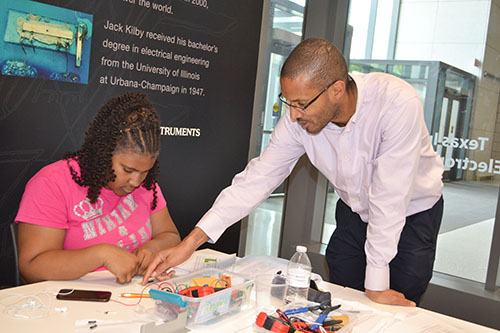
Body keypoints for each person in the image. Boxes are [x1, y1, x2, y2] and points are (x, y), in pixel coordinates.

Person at [142, 38, 444, 306]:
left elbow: (389, 197)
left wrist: (377, 284)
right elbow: (258, 178)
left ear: (336, 90)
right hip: (353, 212)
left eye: (301, 104)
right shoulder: (298, 118)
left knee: (396, 299)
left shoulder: (397, 104)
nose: (294, 114)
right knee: (342, 298)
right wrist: (189, 244)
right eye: (288, 102)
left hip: (411, 215)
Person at [16, 91, 180, 284]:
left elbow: (171, 236)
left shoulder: (146, 184)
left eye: (144, 172)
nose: (136, 181)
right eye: (128, 170)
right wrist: (101, 255)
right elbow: (32, 266)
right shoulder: (52, 183)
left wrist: (153, 248)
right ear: (103, 153)